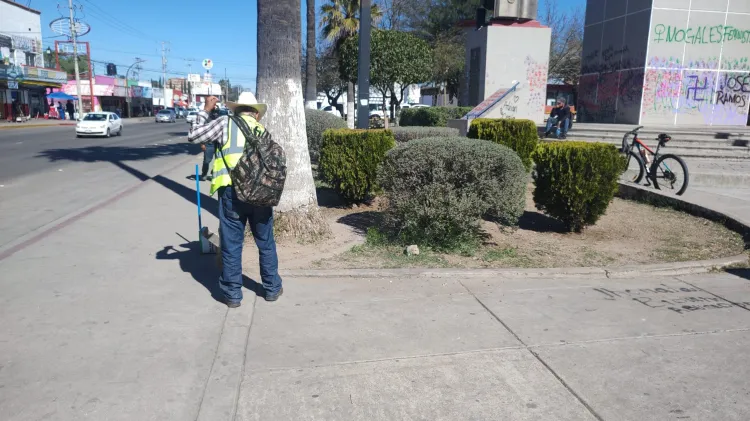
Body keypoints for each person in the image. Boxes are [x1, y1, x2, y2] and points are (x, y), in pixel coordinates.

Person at [188, 93, 283, 307]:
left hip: (232, 193)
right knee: (266, 243)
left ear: (235, 110)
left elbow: (194, 135)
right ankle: (272, 289)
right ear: (256, 114)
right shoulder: (261, 130)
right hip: (261, 195)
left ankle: (232, 294)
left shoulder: (225, 123)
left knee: (232, 245)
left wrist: (205, 110)